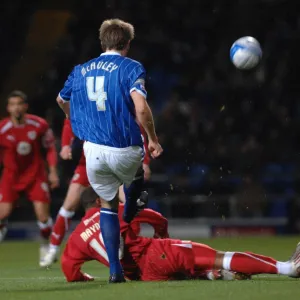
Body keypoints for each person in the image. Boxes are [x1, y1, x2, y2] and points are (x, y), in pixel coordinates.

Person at [56, 18, 162, 282]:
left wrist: (76, 118)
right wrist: (153, 138)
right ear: (127, 43)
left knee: (106, 205)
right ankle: (132, 207)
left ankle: (115, 270)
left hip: (92, 152)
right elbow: (140, 107)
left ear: (103, 41)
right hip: (124, 147)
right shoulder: (131, 67)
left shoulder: (80, 70)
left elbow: (61, 100)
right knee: (136, 180)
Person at [61, 187, 300, 282]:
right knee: (221, 255)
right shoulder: (113, 212)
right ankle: (288, 268)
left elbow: (70, 271)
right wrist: (161, 237)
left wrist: (85, 278)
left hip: (143, 276)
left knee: (186, 269)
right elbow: (158, 219)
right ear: (99, 200)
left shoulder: (76, 238)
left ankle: (211, 276)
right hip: (155, 253)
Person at [41, 118, 152, 267]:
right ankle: (52, 250)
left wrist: (145, 162)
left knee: (127, 202)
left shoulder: (115, 105)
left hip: (112, 161)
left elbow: (137, 130)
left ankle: (131, 244)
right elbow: (69, 121)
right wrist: (66, 145)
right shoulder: (82, 106)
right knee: (68, 206)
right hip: (87, 164)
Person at [0, 90, 59, 265]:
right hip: (11, 176)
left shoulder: (39, 124)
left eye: (19, 104)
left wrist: (53, 171)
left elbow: (49, 148)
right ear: (8, 108)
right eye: (13, 105)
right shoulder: (2, 129)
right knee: (2, 214)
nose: (16, 108)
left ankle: (46, 247)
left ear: (25, 106)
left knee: (42, 217)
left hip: (35, 176)